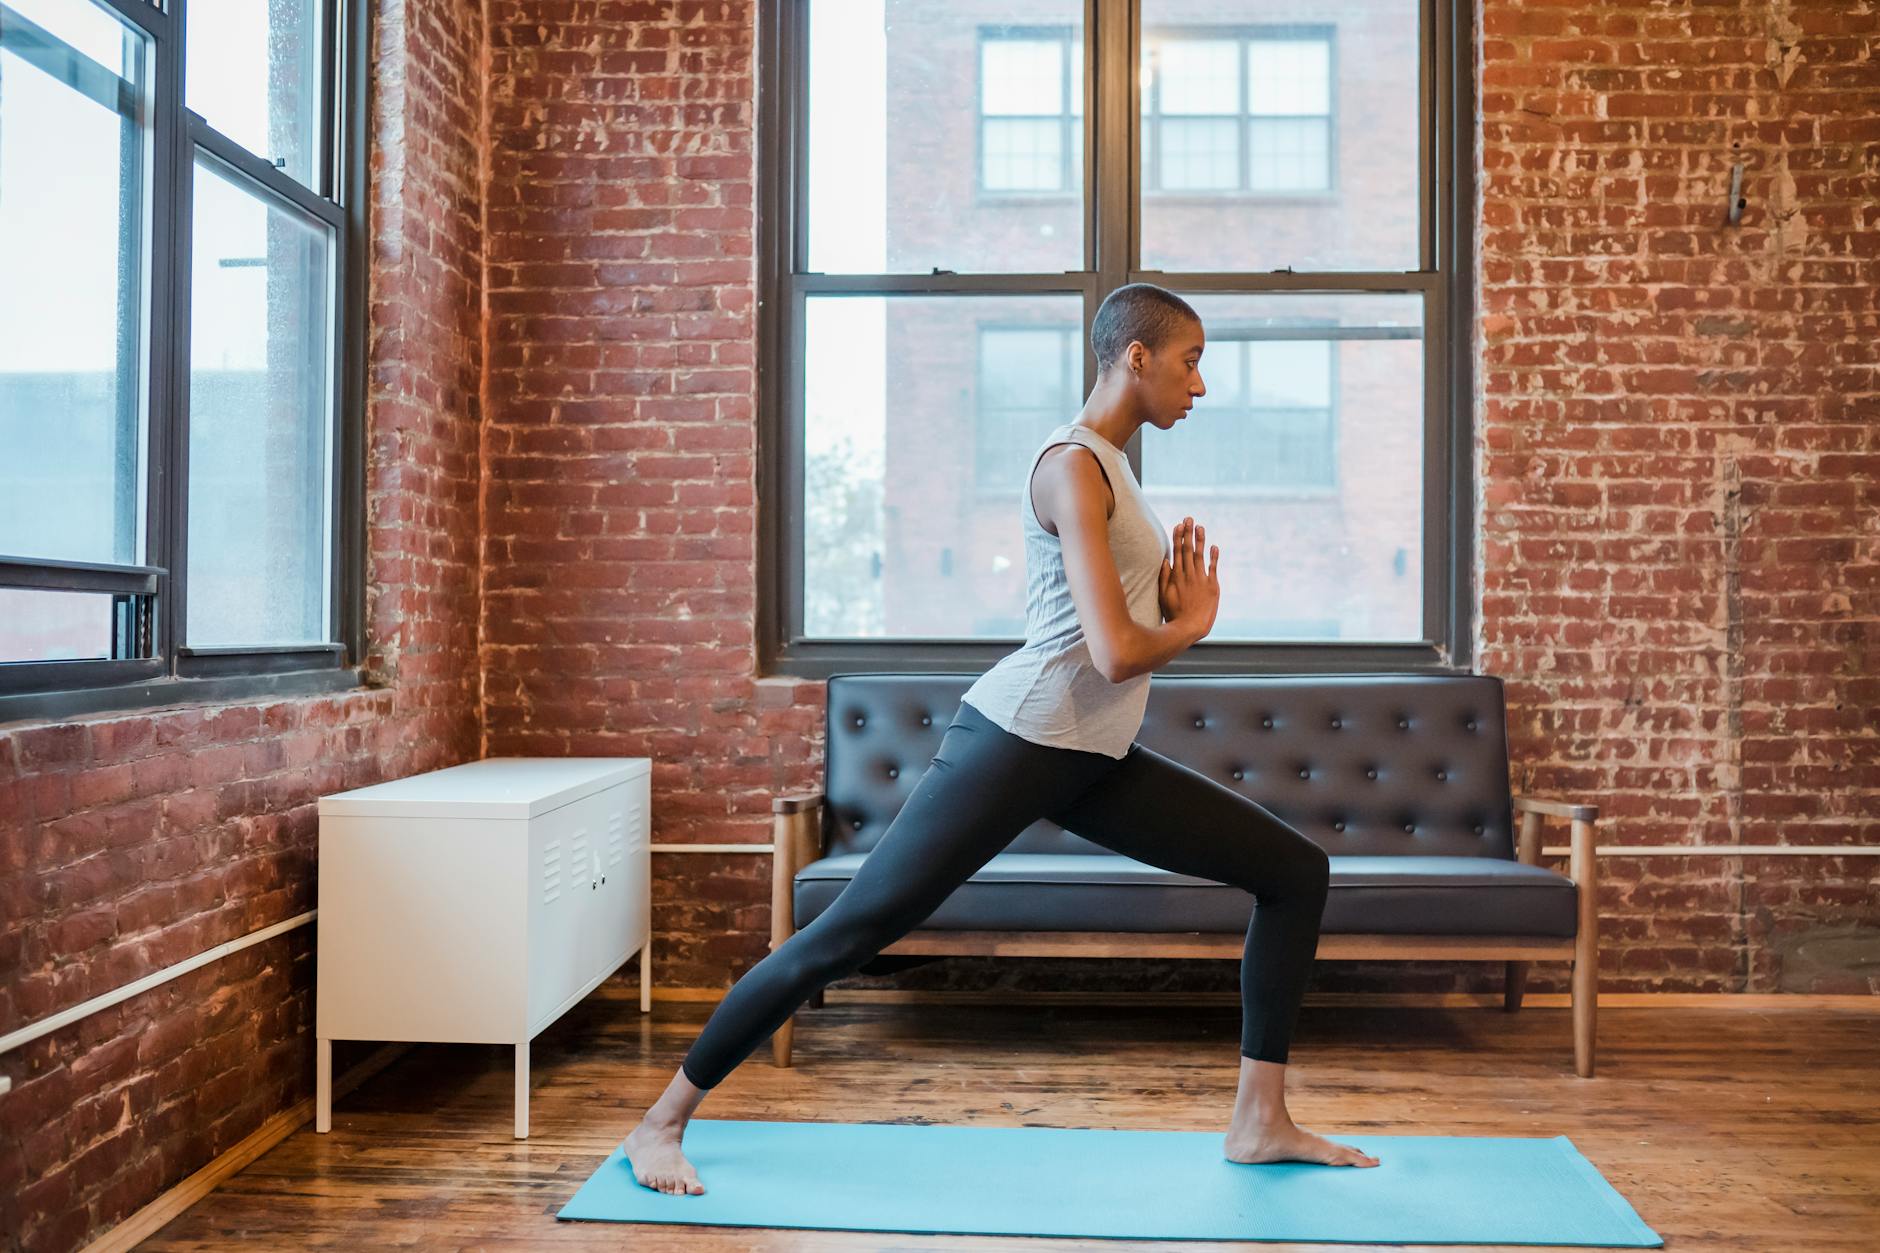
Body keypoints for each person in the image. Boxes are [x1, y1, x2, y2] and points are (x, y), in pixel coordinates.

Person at [622, 282, 1380, 1195]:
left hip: (1087, 754)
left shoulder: (1114, 463)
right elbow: (1110, 652)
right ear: (1135, 358)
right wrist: (1190, 625)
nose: (1202, 384)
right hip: (1018, 740)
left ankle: (1260, 1120)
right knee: (855, 928)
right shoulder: (1072, 464)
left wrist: (1172, 620)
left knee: (1295, 872)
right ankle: (658, 1122)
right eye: (1192, 360)